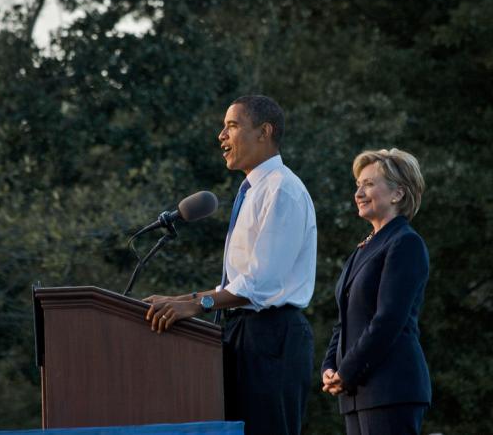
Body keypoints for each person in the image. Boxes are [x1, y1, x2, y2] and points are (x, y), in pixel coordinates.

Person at [143, 95, 317, 435]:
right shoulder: (253, 190)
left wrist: (197, 305)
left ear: (264, 132)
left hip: (272, 335)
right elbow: (238, 285)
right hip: (243, 331)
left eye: (232, 126)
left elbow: (259, 286)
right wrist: (178, 300)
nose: (221, 136)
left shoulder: (281, 190)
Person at [321, 148, 432, 435]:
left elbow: (388, 320)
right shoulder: (362, 249)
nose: (359, 192)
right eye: (358, 185)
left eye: (369, 184)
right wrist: (330, 367)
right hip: (356, 394)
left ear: (398, 194)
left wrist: (347, 371)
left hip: (390, 389)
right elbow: (343, 320)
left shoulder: (405, 243)